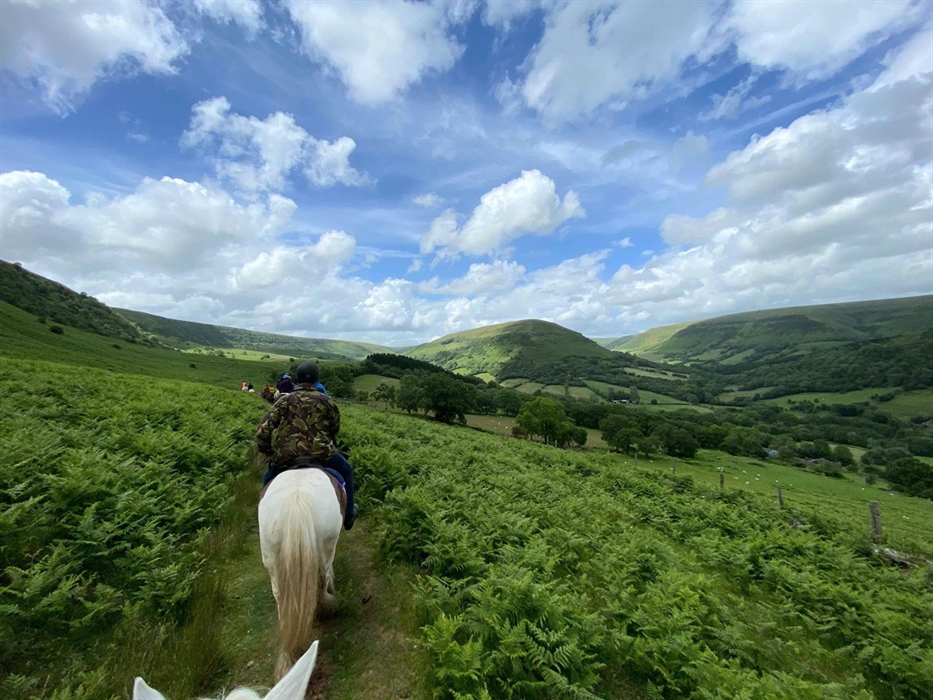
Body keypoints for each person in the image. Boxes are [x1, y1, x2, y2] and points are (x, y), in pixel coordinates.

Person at [256, 362, 358, 530]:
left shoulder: (283, 400)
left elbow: (262, 431)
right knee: (347, 470)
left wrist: (269, 453)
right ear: (316, 379)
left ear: (297, 379)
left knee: (268, 478)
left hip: (286, 458)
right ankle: (348, 516)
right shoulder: (326, 401)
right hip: (321, 455)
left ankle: (262, 519)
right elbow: (334, 428)